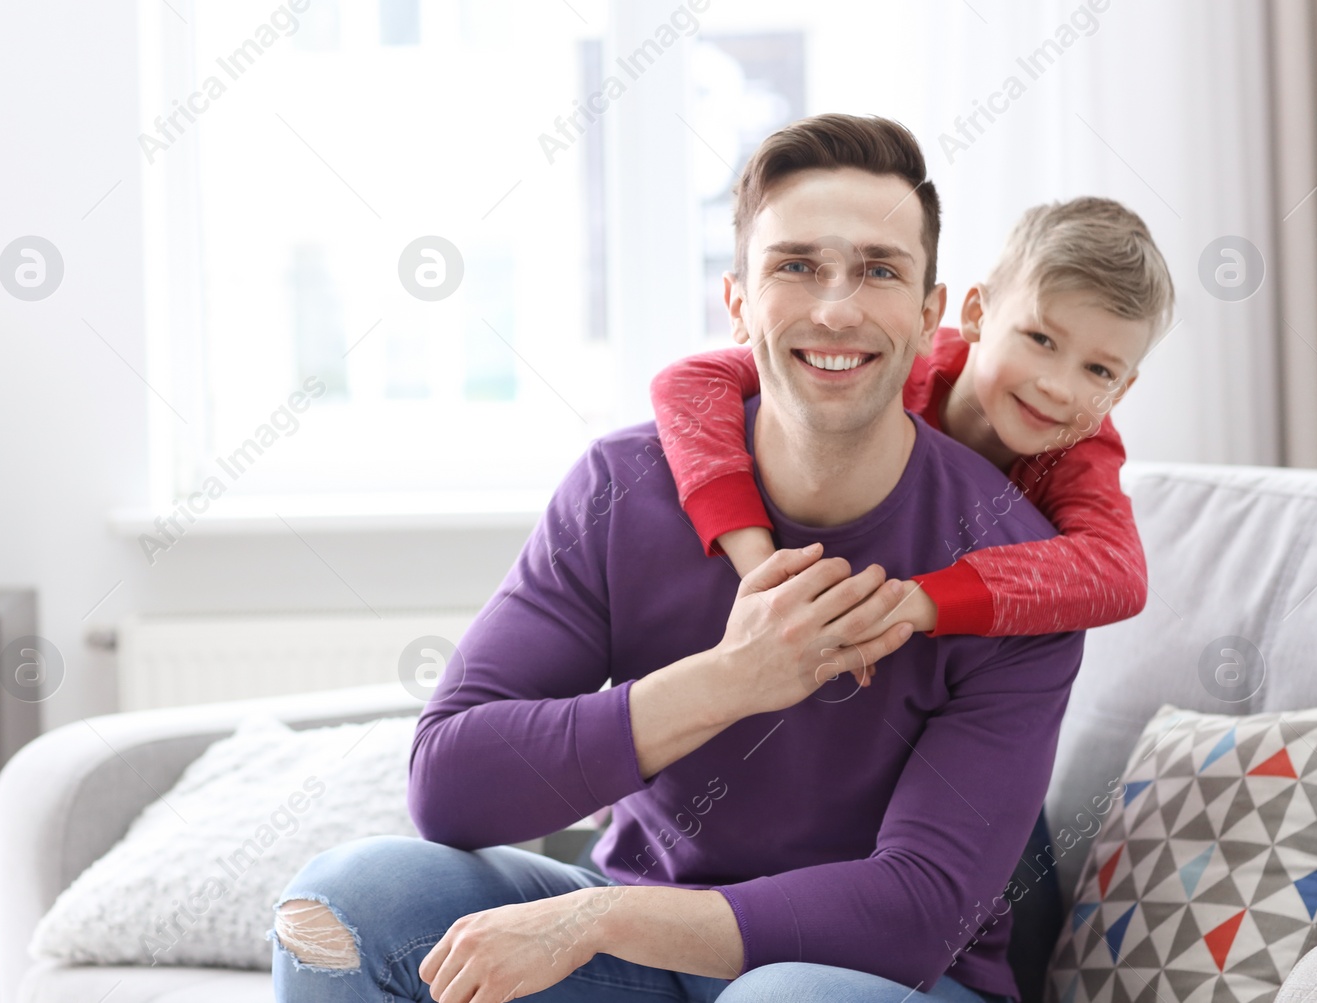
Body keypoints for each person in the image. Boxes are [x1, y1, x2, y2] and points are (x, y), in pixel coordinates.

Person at [271, 114, 1086, 1003]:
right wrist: (735, 679)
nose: (837, 307)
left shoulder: (1017, 572)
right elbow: (451, 787)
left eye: (880, 270)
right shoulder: (623, 488)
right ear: (737, 301)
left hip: (877, 980)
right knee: (345, 905)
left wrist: (599, 921)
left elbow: (917, 913)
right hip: (647, 954)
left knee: (781, 1001)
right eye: (796, 265)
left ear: (931, 316)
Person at [648, 196, 1173, 645]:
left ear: (1122, 389)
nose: (1059, 385)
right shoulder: (898, 356)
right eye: (1040, 339)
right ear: (976, 315)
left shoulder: (1083, 448)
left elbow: (1118, 573)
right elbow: (689, 382)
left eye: (1099, 369)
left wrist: (904, 606)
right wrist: (761, 568)